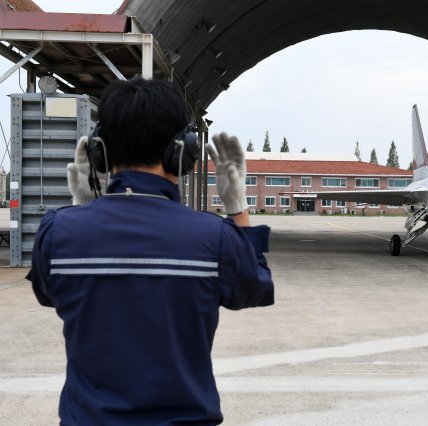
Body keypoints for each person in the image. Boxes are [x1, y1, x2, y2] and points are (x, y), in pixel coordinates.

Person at [27, 77, 274, 425]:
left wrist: (79, 208)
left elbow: (49, 293)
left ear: (99, 151)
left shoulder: (57, 231)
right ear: (183, 150)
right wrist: (237, 209)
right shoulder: (214, 237)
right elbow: (256, 288)